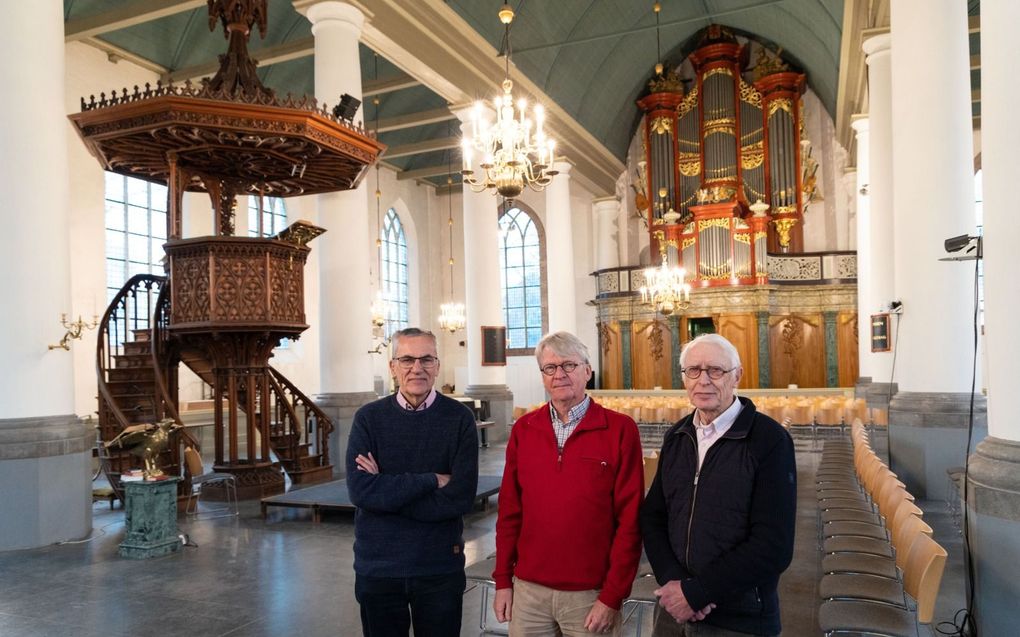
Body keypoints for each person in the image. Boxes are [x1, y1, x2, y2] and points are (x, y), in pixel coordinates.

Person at [641, 333, 797, 636]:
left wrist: (698, 593)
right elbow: (653, 516)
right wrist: (676, 583)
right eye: (693, 371)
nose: (703, 380)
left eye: (716, 370)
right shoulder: (677, 437)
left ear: (737, 375)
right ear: (684, 378)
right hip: (675, 609)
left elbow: (773, 545)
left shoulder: (769, 440)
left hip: (741, 619)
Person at [493, 331, 644, 636]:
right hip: (528, 592)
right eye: (550, 368)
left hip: (590, 594)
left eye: (569, 365)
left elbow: (630, 521)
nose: (559, 374)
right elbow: (509, 512)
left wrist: (612, 595)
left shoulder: (619, 429)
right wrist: (503, 581)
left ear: (588, 371)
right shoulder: (525, 429)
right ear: (543, 376)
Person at [346, 327, 479, 637]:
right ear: (392, 366)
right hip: (378, 567)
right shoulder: (368, 418)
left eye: (426, 359)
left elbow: (459, 497)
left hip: (439, 566)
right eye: (406, 359)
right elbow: (361, 491)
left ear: (437, 365)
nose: (416, 368)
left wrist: (387, 492)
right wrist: (430, 479)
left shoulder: (459, 418)